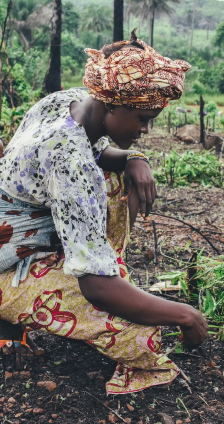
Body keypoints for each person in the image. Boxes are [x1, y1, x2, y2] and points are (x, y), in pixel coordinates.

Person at [0, 30, 208, 394]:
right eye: (143, 119)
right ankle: (9, 311)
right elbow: (96, 288)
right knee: (142, 335)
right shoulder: (69, 162)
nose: (146, 130)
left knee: (110, 179)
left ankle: (95, 267)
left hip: (23, 232)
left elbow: (95, 153)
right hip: (8, 263)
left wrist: (132, 157)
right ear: (112, 104)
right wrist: (184, 315)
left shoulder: (67, 103)